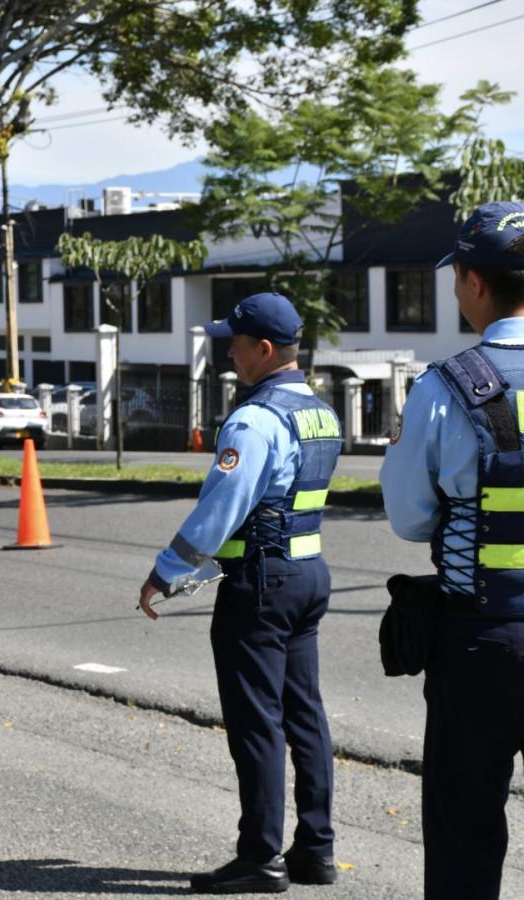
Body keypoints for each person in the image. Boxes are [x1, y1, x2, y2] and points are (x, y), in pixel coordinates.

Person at [138, 293, 341, 894]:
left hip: (260, 586)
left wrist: (166, 572)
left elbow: (221, 508)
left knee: (257, 725)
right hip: (307, 574)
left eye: (236, 342)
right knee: (305, 716)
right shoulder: (321, 413)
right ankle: (316, 850)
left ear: (265, 349)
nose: (230, 352)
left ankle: (260, 857)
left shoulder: (255, 420)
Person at [380, 201, 524, 899]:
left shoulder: (445, 386)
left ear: (472, 281)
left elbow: (410, 520)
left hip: (480, 643)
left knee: (465, 825)